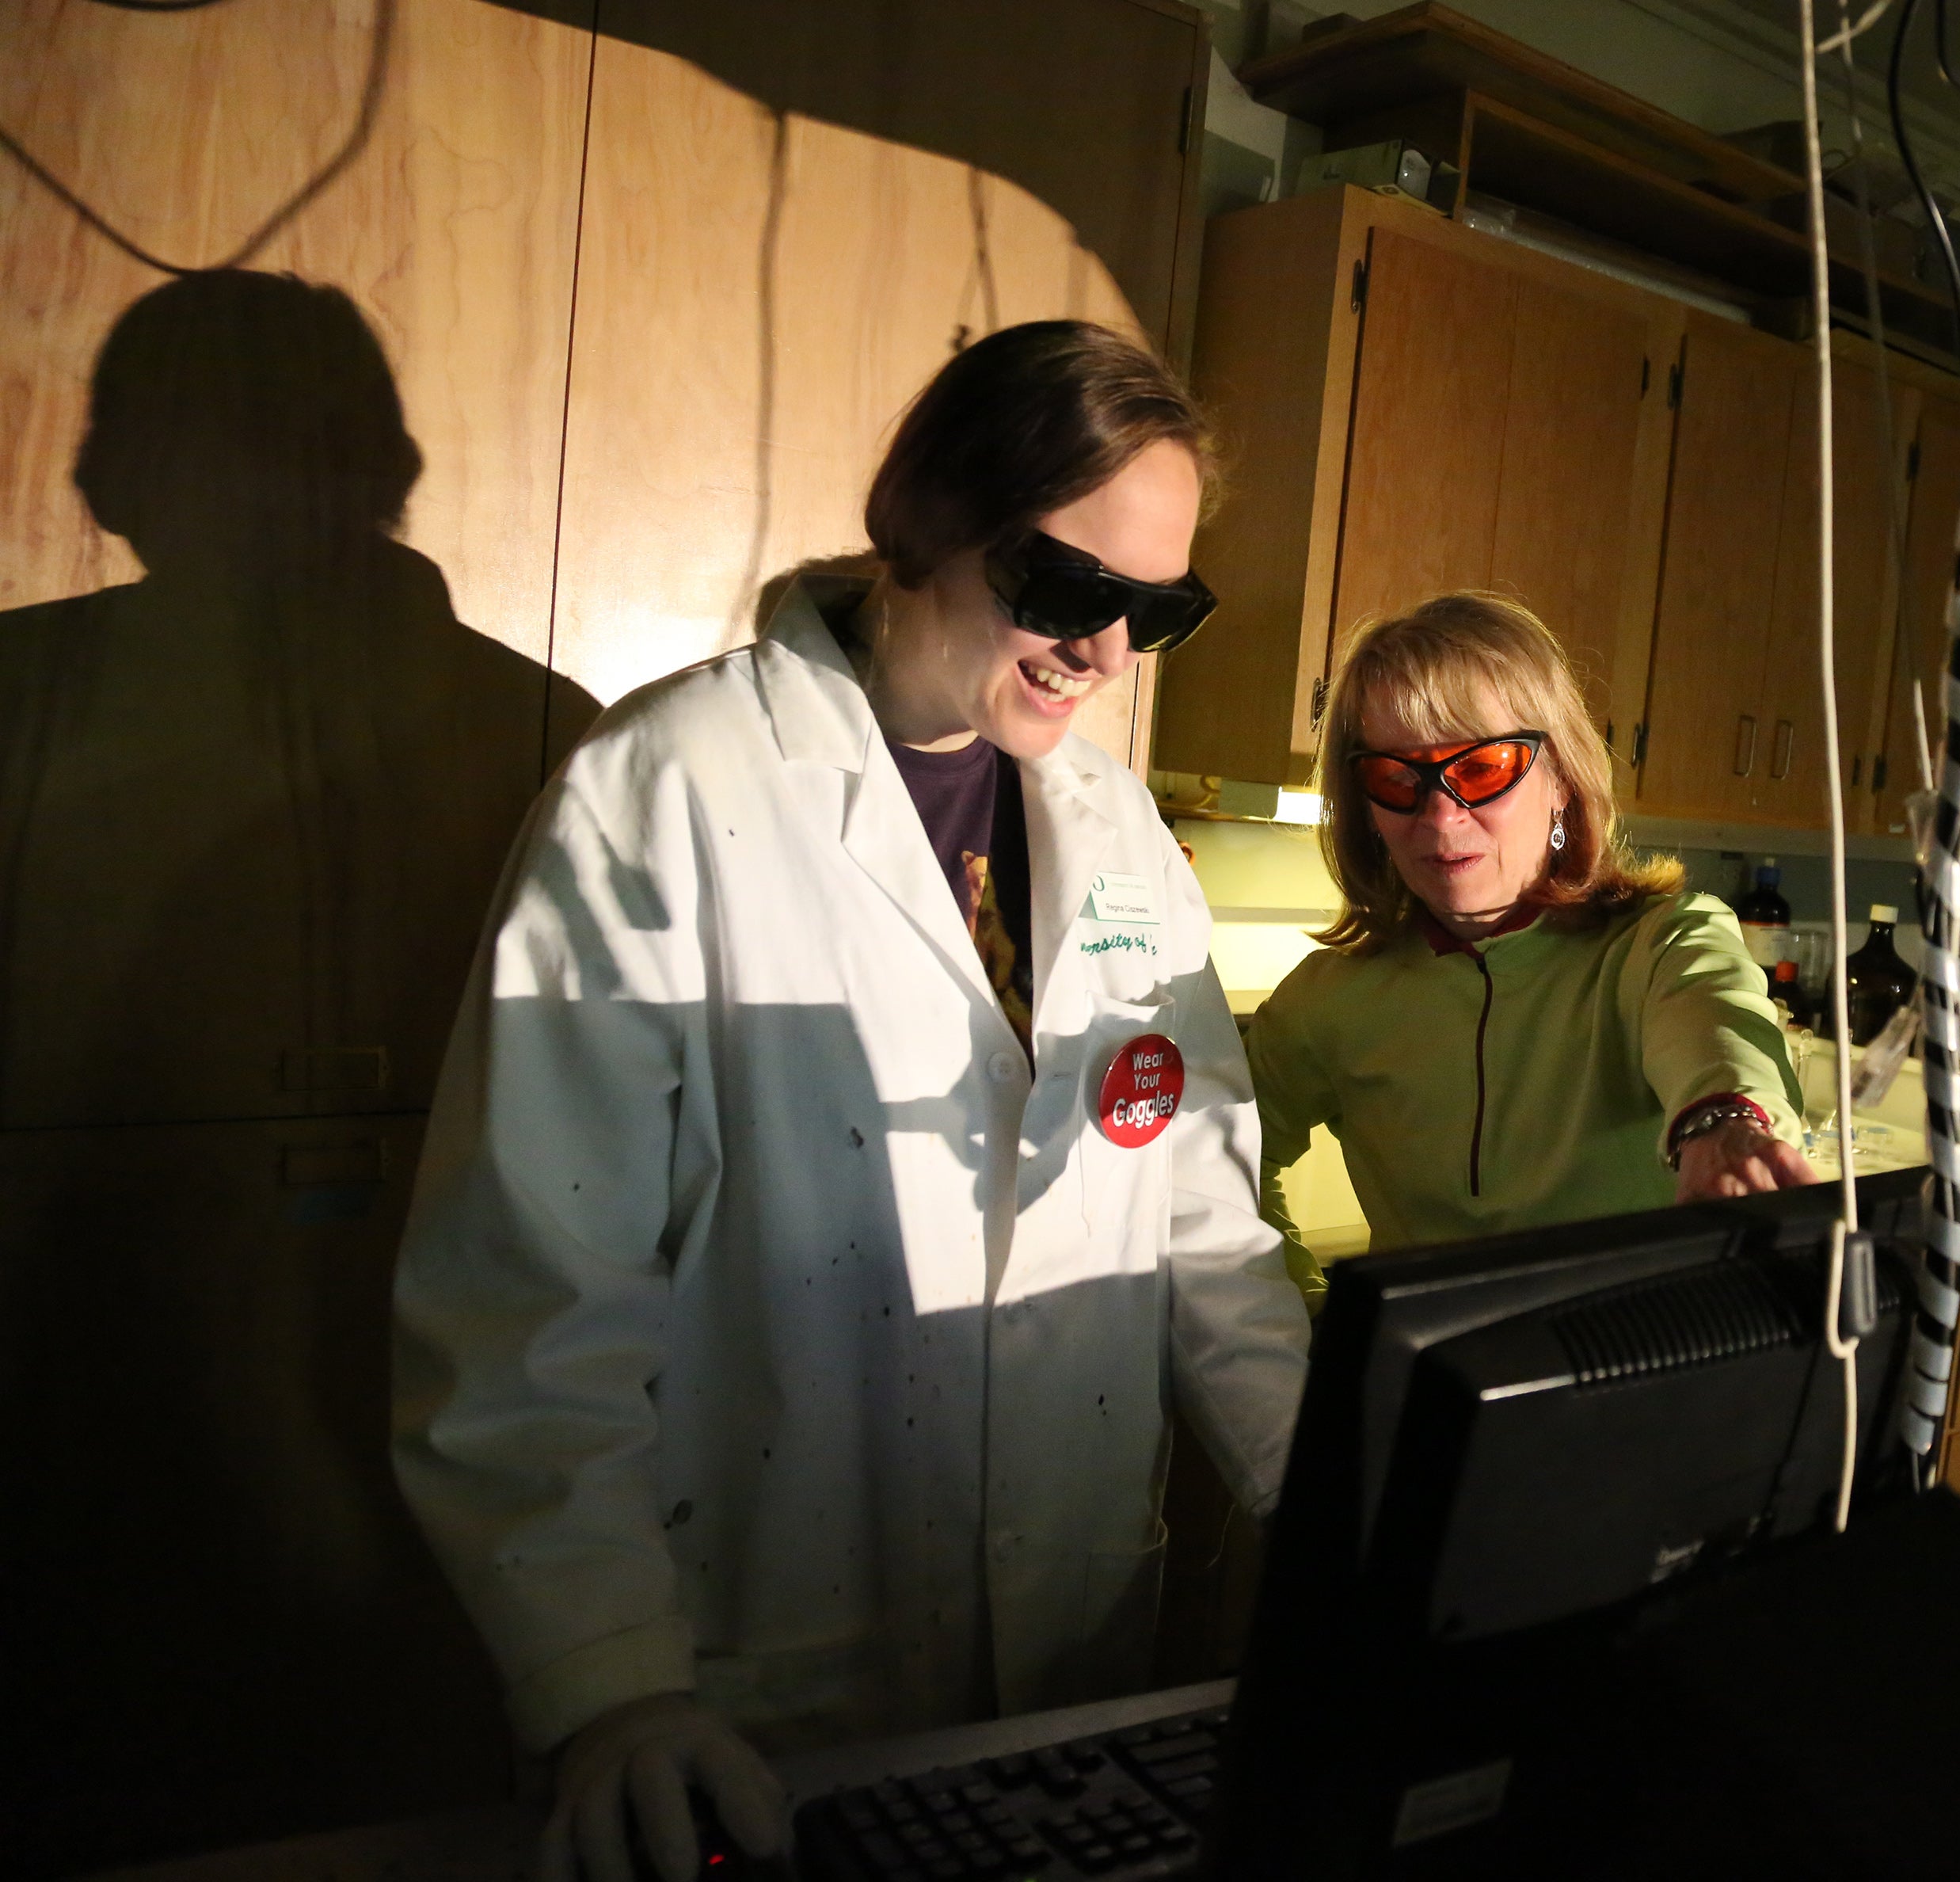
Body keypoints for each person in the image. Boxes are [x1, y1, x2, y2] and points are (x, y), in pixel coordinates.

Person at [392, 320, 1311, 1881]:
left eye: (1158, 611)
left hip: (1070, 1650)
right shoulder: (670, 789)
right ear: (924, 522)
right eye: (1071, 589)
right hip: (747, 1683)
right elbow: (534, 1289)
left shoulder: (1123, 834)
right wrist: (608, 1687)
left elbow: (1208, 1241)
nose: (1108, 656)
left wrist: (1344, 1518)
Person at [1246, 591, 1816, 1309]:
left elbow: (1715, 1029)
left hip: (1633, 1383)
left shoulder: (1661, 942)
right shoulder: (1329, 999)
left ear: (1561, 782)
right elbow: (1211, 1161)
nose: (1441, 814)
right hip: (1423, 1400)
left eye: (1482, 769)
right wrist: (1300, 1318)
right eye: (1397, 778)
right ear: (1365, 807)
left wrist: (1722, 1124)